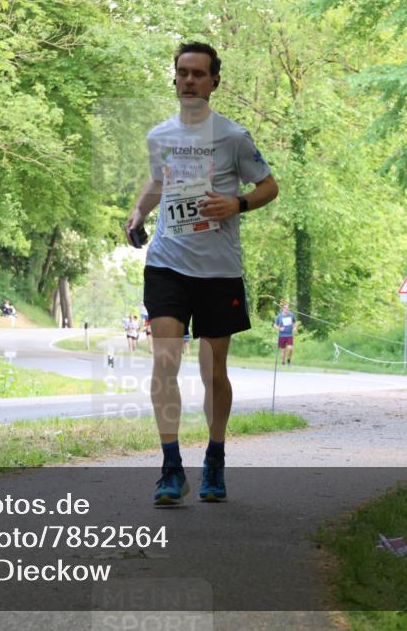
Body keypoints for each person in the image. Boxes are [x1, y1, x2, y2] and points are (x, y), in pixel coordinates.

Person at [124, 41, 278, 504]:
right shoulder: (160, 136)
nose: (189, 80)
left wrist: (237, 203)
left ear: (214, 81)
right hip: (167, 263)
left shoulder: (233, 136)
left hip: (218, 270)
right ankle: (171, 467)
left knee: (213, 370)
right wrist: (137, 213)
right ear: (174, 78)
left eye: (198, 73)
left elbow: (269, 185)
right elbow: (158, 181)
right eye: (182, 72)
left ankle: (215, 457)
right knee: (165, 362)